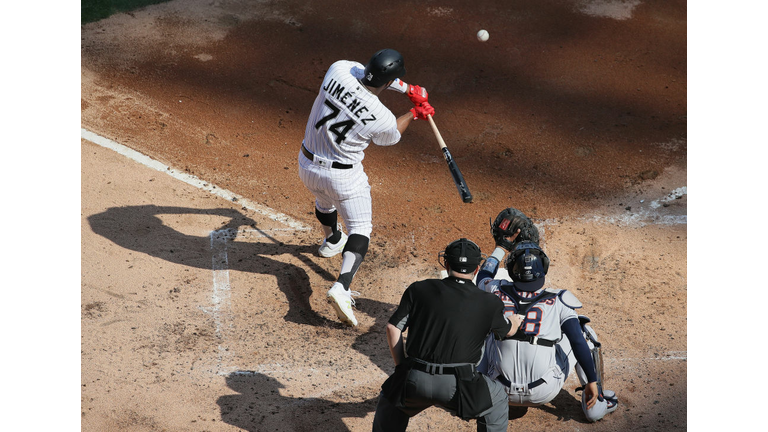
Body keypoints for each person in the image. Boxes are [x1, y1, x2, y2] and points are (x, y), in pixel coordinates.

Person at [298, 48, 435, 327]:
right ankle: (342, 286)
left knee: (324, 199)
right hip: (343, 178)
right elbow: (392, 136)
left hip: (306, 166)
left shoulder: (338, 69)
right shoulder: (381, 116)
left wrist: (407, 88)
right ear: (388, 82)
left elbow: (366, 74)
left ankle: (331, 240)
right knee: (360, 229)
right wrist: (414, 111)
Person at [372, 238, 524, 432]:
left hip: (415, 377)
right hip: (461, 385)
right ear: (477, 269)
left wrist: (402, 368)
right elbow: (507, 330)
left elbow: (392, 328)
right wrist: (515, 321)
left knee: (391, 397)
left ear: (446, 264)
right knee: (498, 399)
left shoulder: (419, 289)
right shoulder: (489, 302)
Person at [476, 227, 619, 423]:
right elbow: (577, 342)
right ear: (543, 268)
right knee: (583, 333)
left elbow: (483, 275)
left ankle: (472, 391)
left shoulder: (494, 289)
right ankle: (596, 401)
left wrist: (501, 247)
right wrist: (592, 380)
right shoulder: (559, 300)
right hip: (544, 391)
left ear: (511, 269)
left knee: (484, 331)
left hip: (499, 389)